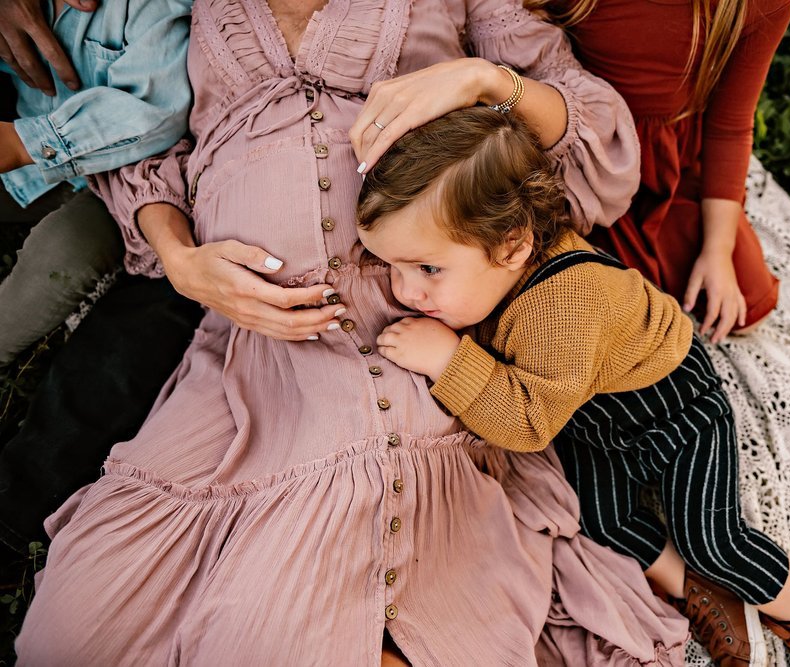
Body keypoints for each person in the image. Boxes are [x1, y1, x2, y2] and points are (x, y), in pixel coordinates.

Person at [16, 1, 691, 664]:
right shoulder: (185, 6)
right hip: (246, 355)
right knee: (71, 633)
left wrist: (486, 82)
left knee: (279, 633)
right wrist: (182, 261)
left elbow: (601, 144)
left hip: (394, 331)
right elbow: (151, 146)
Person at [357, 106, 790, 667]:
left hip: (676, 414)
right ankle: (697, 590)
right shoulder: (494, 271)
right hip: (596, 418)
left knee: (713, 538)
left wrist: (450, 360)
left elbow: (528, 424)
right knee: (598, 517)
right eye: (391, 268)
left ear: (512, 246)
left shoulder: (563, 305)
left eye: (427, 270)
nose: (405, 291)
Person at [526, 0, 790, 344]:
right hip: (584, 155)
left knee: (747, 308)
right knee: (594, 318)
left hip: (667, 162)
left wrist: (718, 249)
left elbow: (730, 124)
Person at [0, 0, 194, 366]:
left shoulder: (152, 7)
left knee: (64, 252)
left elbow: (155, 112)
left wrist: (22, 143)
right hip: (30, 152)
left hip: (126, 183)